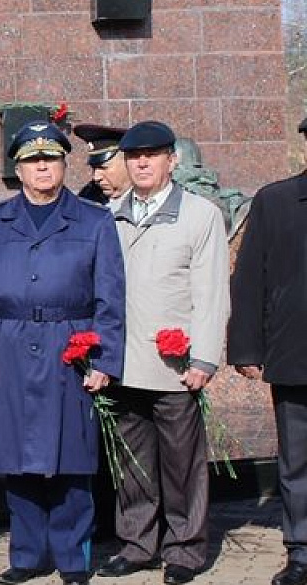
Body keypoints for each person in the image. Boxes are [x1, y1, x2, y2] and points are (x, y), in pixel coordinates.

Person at [0, 121, 126, 585]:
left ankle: (73, 558)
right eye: (33, 160)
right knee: (18, 462)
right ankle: (28, 554)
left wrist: (105, 361)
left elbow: (110, 298)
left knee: (73, 461)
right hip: (12, 347)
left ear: (63, 164)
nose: (43, 167)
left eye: (51, 159)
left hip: (70, 347)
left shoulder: (94, 221)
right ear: (17, 168)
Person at [95, 121, 228, 585]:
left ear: (172, 159)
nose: (142, 162)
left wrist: (204, 358)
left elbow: (211, 292)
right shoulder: (109, 214)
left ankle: (185, 550)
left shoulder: (200, 214)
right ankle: (136, 545)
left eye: (152, 154)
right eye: (134, 156)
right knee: (132, 464)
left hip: (174, 366)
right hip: (122, 363)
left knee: (181, 464)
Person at [228, 115, 307, 585]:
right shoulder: (276, 201)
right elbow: (250, 278)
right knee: (297, 461)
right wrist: (246, 347)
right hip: (296, 355)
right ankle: (301, 551)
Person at [72, 124, 130, 205]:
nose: (96, 177)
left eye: (103, 168)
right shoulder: (86, 199)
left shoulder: (149, 201)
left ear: (128, 163)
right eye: (94, 168)